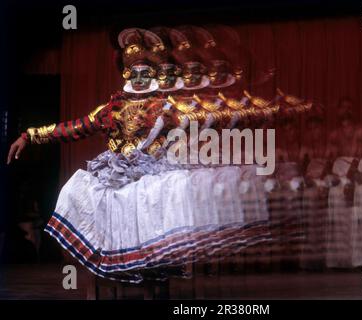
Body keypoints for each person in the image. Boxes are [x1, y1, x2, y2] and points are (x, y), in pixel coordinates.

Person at [7, 27, 291, 283]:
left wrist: (260, 111)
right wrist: (29, 135)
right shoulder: (112, 108)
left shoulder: (166, 106)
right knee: (83, 192)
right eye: (135, 73)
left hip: (153, 171)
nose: (141, 79)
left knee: (158, 195)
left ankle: (160, 261)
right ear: (126, 74)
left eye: (146, 73)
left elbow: (212, 116)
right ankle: (120, 265)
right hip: (117, 174)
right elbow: (75, 128)